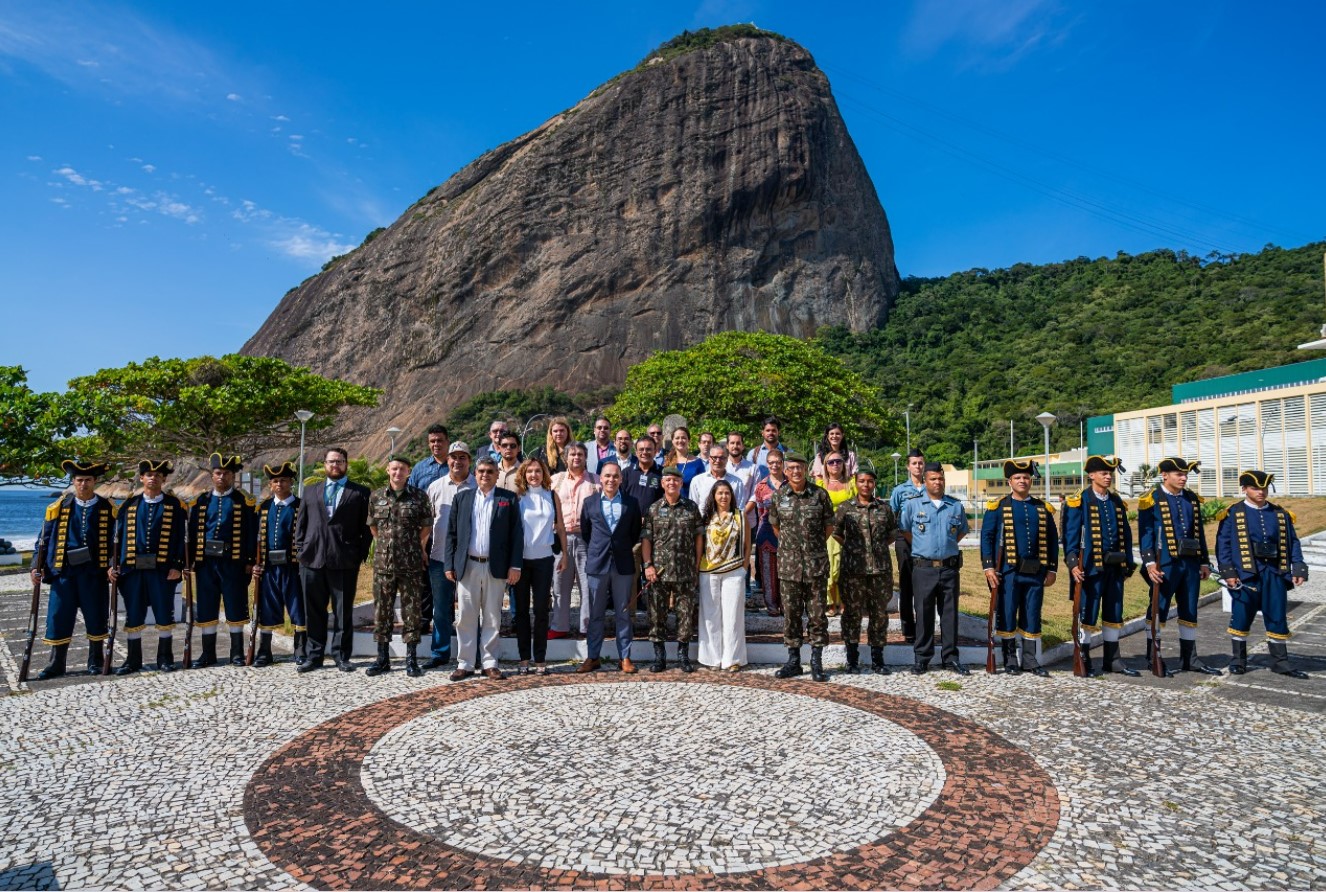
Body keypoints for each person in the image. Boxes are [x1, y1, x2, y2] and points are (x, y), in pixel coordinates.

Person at [1216, 470, 1310, 678]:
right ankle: (1238, 660)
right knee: (1241, 616)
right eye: (1255, 488)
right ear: (1244, 489)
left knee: (1277, 615)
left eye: (1264, 488)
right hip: (1245, 574)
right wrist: (1228, 572)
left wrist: (1298, 566)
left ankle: (1280, 662)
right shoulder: (1233, 513)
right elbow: (1223, 544)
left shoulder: (1279, 513)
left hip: (1274, 573)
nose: (1261, 492)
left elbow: (1293, 541)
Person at [31, 459, 115, 679]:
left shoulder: (107, 507)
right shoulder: (58, 507)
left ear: (95, 481)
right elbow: (43, 540)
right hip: (64, 572)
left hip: (94, 574)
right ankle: (56, 664)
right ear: (73, 482)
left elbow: (118, 541)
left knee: (96, 617)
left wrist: (113, 564)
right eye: (79, 480)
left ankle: (96, 662)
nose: (83, 484)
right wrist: (35, 566)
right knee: (59, 617)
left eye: (88, 480)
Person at [295, 448, 373, 673]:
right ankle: (314, 655)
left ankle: (341, 656)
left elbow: (366, 529)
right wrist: (301, 550)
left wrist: (359, 554)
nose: (335, 465)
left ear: (346, 464)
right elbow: (301, 524)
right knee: (314, 611)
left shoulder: (359, 492)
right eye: (331, 461)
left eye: (339, 461)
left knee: (343, 611)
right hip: (312, 560)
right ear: (324, 464)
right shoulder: (310, 491)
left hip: (344, 561)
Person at [444, 457, 522, 680]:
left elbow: (517, 535)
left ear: (497, 475)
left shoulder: (508, 499)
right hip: (468, 565)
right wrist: (449, 564)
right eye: (481, 471)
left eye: (490, 471)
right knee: (466, 616)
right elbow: (451, 534)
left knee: (492, 617)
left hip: (495, 567)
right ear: (474, 474)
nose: (485, 475)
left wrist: (514, 565)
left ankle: (489, 662)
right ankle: (465, 663)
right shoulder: (462, 498)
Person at [1138, 457, 1217, 676]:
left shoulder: (1191, 498)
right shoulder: (1152, 499)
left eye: (1185, 475)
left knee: (1190, 609)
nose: (1183, 478)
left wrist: (1203, 561)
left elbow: (1198, 531)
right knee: (1158, 608)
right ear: (1164, 475)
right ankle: (1153, 656)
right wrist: (1150, 563)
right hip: (1165, 565)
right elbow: (1146, 534)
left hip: (1190, 563)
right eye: (1178, 474)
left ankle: (1190, 658)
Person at [980, 459, 1059, 676]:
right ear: (1009, 481)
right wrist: (988, 568)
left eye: (1025, 477)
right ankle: (1009, 658)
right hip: (1008, 572)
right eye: (1017, 477)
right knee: (1006, 613)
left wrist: (1052, 569)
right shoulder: (998, 507)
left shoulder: (1042, 508)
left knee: (1032, 613)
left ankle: (1030, 659)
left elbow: (1052, 540)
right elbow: (986, 537)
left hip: (1036, 572)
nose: (1022, 481)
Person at [110, 459, 188, 675]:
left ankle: (165, 658)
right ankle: (132, 660)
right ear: (142, 478)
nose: (153, 478)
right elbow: (116, 538)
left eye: (157, 475)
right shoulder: (128, 505)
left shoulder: (175, 506)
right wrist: (113, 564)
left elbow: (182, 539)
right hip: (132, 571)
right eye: (148, 474)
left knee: (164, 614)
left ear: (163, 479)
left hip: (163, 571)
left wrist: (178, 566)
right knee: (134, 615)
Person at [1063, 455, 1139, 677]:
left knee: (1114, 612)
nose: (1108, 477)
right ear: (1091, 475)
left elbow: (1125, 534)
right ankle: (1084, 657)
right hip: (1090, 568)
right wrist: (1072, 564)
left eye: (1110, 474)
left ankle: (1113, 659)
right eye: (1104, 473)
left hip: (1114, 568)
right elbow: (1070, 536)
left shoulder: (1116, 501)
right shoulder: (1079, 501)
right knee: (1088, 614)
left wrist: (1127, 564)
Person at [186, 453, 257, 668]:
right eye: (218, 473)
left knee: (235, 606)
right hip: (206, 563)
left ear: (233, 476)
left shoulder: (244, 501)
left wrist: (249, 561)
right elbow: (191, 533)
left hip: (233, 563)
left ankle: (236, 652)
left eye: (226, 473)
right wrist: (188, 562)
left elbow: (251, 533)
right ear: (212, 475)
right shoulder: (200, 501)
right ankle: (208, 653)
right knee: (206, 607)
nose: (222, 477)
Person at [768, 451, 835, 682]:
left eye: (800, 467)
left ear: (806, 469)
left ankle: (816, 662)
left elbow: (828, 527)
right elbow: (777, 529)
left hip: (815, 565)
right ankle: (794, 661)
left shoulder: (820, 495)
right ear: (785, 471)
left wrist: (811, 547)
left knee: (817, 615)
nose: (796, 472)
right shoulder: (779, 497)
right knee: (792, 615)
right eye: (791, 468)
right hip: (789, 567)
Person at [365, 456, 434, 678]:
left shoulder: (419, 497)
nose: (398, 473)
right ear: (388, 470)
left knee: (412, 611)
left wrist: (415, 546)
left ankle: (411, 659)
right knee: (382, 611)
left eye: (402, 469)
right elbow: (374, 527)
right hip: (383, 565)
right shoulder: (376, 497)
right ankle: (382, 658)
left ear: (408, 472)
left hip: (411, 564)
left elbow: (426, 527)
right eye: (394, 469)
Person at [898, 462, 970, 675]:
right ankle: (922, 658)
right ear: (925, 481)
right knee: (923, 613)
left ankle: (950, 658)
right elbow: (906, 531)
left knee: (949, 615)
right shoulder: (913, 505)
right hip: (924, 569)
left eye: (941, 479)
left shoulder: (955, 506)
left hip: (949, 569)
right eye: (933, 479)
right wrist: (925, 548)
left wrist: (944, 549)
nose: (938, 482)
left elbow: (960, 532)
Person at [578, 462, 643, 673]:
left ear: (621, 479)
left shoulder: (632, 503)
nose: (611, 480)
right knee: (595, 614)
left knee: (623, 613)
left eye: (615, 476)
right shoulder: (590, 503)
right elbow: (587, 532)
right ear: (601, 478)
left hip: (623, 564)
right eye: (607, 476)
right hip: (597, 564)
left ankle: (625, 657)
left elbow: (634, 533)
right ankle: (593, 656)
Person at [832, 466, 896, 675]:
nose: (866, 485)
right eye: (862, 481)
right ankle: (852, 660)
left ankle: (878, 659)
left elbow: (892, 534)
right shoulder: (845, 508)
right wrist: (854, 548)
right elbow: (837, 533)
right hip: (853, 571)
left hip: (880, 570)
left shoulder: (884, 509)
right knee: (851, 615)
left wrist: (875, 548)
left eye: (869, 481)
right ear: (855, 483)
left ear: (874, 483)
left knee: (879, 615)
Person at [641, 466, 703, 672]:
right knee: (656, 614)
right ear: (662, 484)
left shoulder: (691, 508)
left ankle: (682, 656)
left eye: (675, 480)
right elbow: (647, 540)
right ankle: (660, 657)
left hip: (685, 569)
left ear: (681, 483)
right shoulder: (653, 509)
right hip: (658, 571)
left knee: (685, 614)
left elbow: (698, 538)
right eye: (667, 480)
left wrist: (696, 566)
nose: (671, 483)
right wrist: (648, 565)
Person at [513, 458, 567, 674]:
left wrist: (565, 555)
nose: (533, 475)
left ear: (543, 473)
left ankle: (540, 659)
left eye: (537, 471)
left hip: (545, 560)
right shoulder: (518, 497)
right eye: (529, 471)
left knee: (541, 611)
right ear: (523, 475)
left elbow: (560, 527)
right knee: (521, 612)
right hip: (521, 561)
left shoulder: (552, 496)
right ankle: (524, 658)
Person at [425, 442, 475, 669]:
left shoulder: (478, 485)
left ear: (469, 461)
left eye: (462, 457)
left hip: (470, 558)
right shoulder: (435, 487)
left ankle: (471, 652)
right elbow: (427, 524)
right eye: (454, 457)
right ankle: (440, 652)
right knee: (441, 608)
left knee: (470, 607)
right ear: (448, 460)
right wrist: (421, 550)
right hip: (439, 557)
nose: (458, 461)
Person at [251, 461, 304, 668]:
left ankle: (300, 650)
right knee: (267, 608)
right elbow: (253, 540)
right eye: (275, 481)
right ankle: (264, 651)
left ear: (291, 481)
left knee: (298, 609)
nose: (279, 484)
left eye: (283, 480)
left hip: (294, 568)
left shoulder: (300, 506)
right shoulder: (263, 508)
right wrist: (253, 564)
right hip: (269, 569)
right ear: (270, 484)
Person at [698, 480, 750, 672]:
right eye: (720, 493)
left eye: (727, 493)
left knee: (733, 615)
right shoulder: (706, 518)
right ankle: (712, 658)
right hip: (709, 571)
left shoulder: (740, 516)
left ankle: (733, 659)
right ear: (714, 495)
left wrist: (743, 568)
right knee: (710, 615)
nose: (723, 497)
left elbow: (746, 545)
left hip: (733, 570)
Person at [551, 443, 599, 639]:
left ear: (586, 457)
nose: (576, 457)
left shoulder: (596, 482)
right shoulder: (555, 481)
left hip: (586, 538)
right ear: (566, 458)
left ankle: (586, 627)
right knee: (560, 584)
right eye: (572, 454)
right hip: (561, 538)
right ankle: (559, 626)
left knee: (587, 584)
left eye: (580, 454)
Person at [889, 448, 927, 643]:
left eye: (921, 463)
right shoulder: (900, 490)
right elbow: (892, 515)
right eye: (914, 463)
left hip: (926, 540)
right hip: (904, 540)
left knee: (925, 585)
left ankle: (923, 626)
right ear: (908, 466)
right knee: (906, 584)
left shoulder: (931, 487)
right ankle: (908, 628)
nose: (918, 466)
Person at [746, 450, 787, 615]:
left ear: (783, 462)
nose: (775, 465)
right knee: (768, 571)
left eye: (778, 461)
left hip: (788, 532)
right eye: (771, 462)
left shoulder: (791, 483)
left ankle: (786, 604)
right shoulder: (761, 486)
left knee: (786, 571)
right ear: (767, 464)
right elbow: (760, 511)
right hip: (767, 531)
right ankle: (771, 605)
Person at [817, 450, 857, 617]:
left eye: (839, 461)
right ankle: (830, 602)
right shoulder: (819, 484)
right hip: (826, 531)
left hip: (847, 530)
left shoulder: (852, 483)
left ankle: (844, 601)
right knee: (829, 568)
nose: (835, 465)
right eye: (831, 462)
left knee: (844, 567)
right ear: (825, 466)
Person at [690, 444, 745, 513]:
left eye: (722, 458)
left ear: (727, 459)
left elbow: (739, 509)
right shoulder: (697, 481)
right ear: (709, 459)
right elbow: (693, 508)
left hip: (729, 522)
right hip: (704, 523)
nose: (718, 461)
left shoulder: (737, 482)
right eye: (714, 457)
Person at [663, 426, 706, 499]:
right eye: (677, 438)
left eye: (683, 438)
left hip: (690, 506)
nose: (680, 440)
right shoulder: (667, 461)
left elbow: (703, 488)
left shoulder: (697, 462)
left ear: (688, 440)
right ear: (672, 441)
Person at [407, 424, 451, 491]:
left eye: (439, 440)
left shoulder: (456, 466)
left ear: (447, 442)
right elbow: (410, 493)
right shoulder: (419, 468)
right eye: (432, 441)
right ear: (429, 444)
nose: (436, 444)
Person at [725, 432, 758, 499]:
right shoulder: (721, 467)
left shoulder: (753, 468)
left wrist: (745, 510)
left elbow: (755, 495)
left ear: (743, 446)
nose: (735, 446)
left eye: (738, 443)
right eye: (732, 443)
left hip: (747, 508)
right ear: (727, 446)